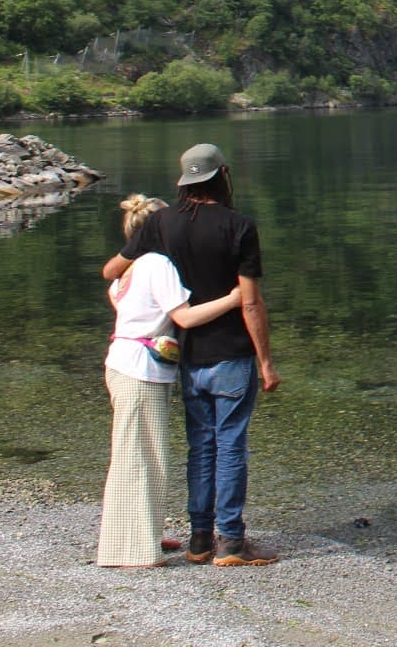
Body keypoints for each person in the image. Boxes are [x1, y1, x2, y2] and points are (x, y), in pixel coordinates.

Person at [104, 144, 281, 567]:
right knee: (231, 446)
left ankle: (200, 540)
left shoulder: (161, 223)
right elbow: (251, 303)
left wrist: (132, 309)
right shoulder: (240, 226)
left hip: (186, 357)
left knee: (200, 447)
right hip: (232, 353)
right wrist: (266, 361)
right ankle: (232, 543)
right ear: (224, 174)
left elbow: (113, 271)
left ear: (185, 181)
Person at [99, 194, 243, 568]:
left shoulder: (127, 269)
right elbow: (186, 318)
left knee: (135, 453)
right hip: (140, 372)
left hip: (121, 362)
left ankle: (140, 531)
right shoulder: (157, 264)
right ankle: (132, 549)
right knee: (141, 458)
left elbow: (114, 294)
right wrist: (234, 298)